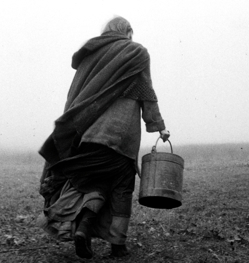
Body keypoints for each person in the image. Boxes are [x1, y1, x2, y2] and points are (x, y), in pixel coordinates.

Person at [37, 16, 170, 259]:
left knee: (94, 184)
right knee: (121, 187)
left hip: (90, 134)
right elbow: (147, 94)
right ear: (128, 31)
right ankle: (118, 246)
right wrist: (159, 126)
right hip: (122, 138)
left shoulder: (91, 57)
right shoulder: (137, 53)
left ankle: (84, 229)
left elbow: (76, 96)